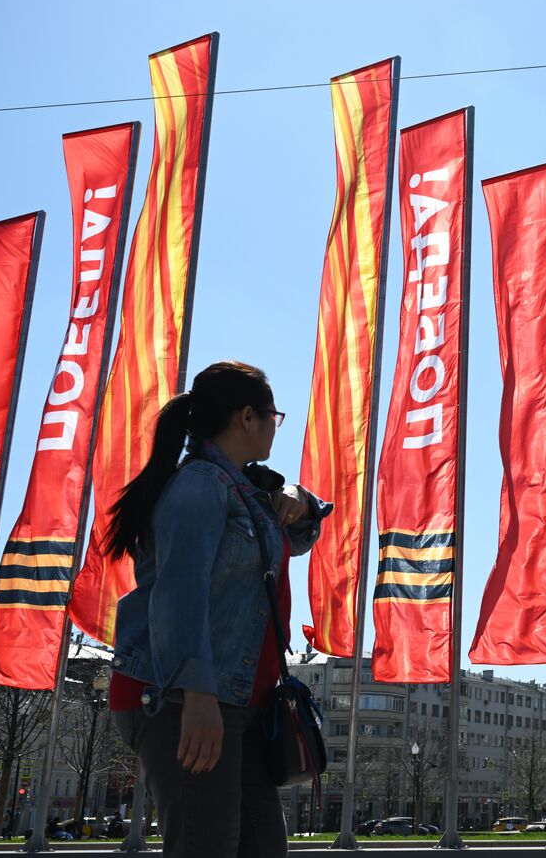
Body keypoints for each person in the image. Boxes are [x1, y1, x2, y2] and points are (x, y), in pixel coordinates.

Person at [106, 362, 331, 858]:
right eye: (274, 415)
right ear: (247, 418)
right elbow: (178, 597)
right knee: (205, 846)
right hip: (183, 698)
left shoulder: (243, 491)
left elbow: (294, 533)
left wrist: (299, 496)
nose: (276, 425)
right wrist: (198, 696)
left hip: (238, 703)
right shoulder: (199, 488)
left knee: (264, 846)